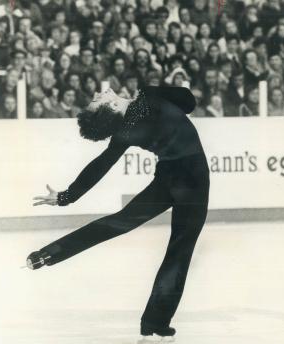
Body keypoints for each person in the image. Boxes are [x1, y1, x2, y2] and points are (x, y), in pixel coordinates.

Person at [27, 86, 210, 339]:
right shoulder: (147, 99)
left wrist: (67, 197)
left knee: (120, 221)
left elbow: (101, 165)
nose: (100, 92)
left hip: (167, 179)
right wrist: (150, 88)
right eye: (98, 99)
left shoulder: (124, 132)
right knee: (179, 251)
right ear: (112, 106)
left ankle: (49, 254)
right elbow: (189, 101)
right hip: (193, 180)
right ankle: (155, 324)